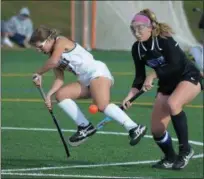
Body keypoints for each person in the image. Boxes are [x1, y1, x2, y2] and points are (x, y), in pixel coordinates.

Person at [30, 25, 147, 147]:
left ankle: (134, 127)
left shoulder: (61, 41)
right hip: (85, 79)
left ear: (49, 40)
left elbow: (53, 62)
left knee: (102, 105)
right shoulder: (52, 55)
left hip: (96, 72)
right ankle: (85, 126)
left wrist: (38, 73)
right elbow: (59, 79)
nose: (39, 50)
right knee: (61, 95)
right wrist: (49, 95)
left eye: (40, 46)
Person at [122, 9, 203, 170]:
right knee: (157, 130)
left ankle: (185, 150)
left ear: (150, 27)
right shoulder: (137, 49)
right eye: (133, 29)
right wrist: (129, 96)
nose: (137, 33)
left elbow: (176, 65)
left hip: (188, 76)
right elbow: (139, 77)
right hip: (167, 84)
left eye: (140, 28)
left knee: (174, 104)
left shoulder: (163, 39)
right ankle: (169, 157)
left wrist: (153, 75)